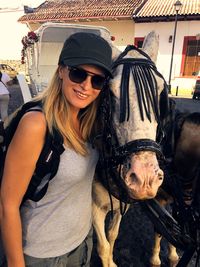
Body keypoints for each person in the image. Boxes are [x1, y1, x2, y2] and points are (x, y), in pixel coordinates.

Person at [0, 32, 112, 267]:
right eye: (78, 73)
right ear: (61, 70)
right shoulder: (36, 125)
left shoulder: (91, 123)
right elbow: (7, 205)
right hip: (43, 255)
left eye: (97, 80)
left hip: (82, 243)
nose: (86, 86)